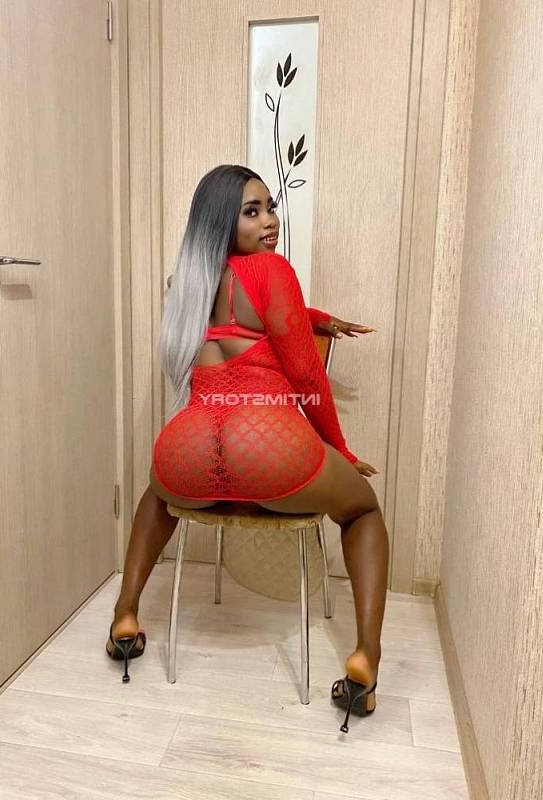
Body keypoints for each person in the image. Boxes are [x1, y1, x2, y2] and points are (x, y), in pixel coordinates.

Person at [106, 164, 389, 732]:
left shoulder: (189, 283)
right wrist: (338, 448)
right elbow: (305, 374)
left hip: (191, 447)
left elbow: (244, 318)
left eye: (270, 207)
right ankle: (366, 656)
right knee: (362, 511)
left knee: (157, 495)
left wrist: (315, 318)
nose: (270, 221)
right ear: (223, 222)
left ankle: (125, 614)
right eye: (252, 212)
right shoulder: (271, 269)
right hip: (265, 446)